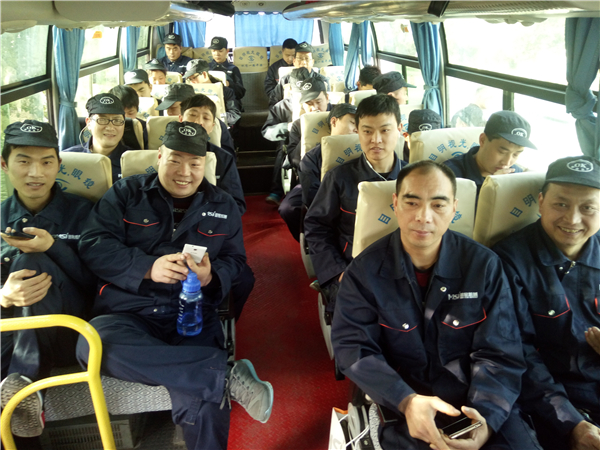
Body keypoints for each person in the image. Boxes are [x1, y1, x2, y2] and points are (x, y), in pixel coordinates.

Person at [75, 121, 273, 450]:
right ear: (159, 157)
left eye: (195, 163)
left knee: (206, 405)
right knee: (92, 344)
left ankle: (209, 377)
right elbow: (94, 244)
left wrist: (211, 276)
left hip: (192, 313)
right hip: (129, 311)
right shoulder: (126, 193)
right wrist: (147, 267)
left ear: (205, 165)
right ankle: (223, 377)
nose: (185, 172)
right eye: (175, 160)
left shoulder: (223, 205)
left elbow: (236, 261)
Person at [332, 160, 542, 450]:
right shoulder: (363, 272)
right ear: (395, 204)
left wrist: (486, 419)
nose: (424, 217)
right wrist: (406, 401)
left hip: (479, 399)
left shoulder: (484, 266)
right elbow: (353, 347)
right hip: (401, 400)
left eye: (438, 205)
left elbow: (500, 352)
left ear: (454, 209)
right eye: (412, 202)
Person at [492, 156, 600, 450]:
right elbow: (516, 353)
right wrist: (571, 423)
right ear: (540, 202)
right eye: (561, 204)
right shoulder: (508, 261)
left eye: (588, 208)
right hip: (549, 401)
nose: (573, 219)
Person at [0, 121, 95, 438]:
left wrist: (53, 248)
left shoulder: (85, 213)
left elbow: (96, 283)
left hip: (69, 330)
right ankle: (23, 395)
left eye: (46, 162)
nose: (35, 173)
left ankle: (27, 379)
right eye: (24, 161)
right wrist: (4, 296)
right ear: (4, 164)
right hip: (8, 331)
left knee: (32, 260)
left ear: (59, 164)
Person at [304, 94, 406, 313]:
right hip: (352, 268)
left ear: (399, 129)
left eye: (385, 130)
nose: (376, 140)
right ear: (357, 131)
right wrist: (337, 272)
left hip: (406, 270)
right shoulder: (338, 178)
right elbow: (317, 227)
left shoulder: (415, 179)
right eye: (367, 131)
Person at [262, 76, 331, 206]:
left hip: (338, 174)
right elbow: (295, 159)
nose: (315, 108)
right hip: (309, 173)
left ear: (327, 98)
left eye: (318, 102)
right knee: (288, 208)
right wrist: (306, 129)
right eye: (309, 104)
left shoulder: (340, 116)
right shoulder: (296, 122)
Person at [444, 111, 536, 196]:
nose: (507, 162)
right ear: (483, 140)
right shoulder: (449, 175)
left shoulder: (516, 175)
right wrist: (489, 188)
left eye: (515, 154)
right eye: (502, 152)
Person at [299, 103, 357, 209]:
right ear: (334, 121)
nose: (357, 129)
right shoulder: (312, 157)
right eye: (353, 123)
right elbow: (312, 196)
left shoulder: (366, 153)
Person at [63, 93, 131, 183]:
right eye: (102, 120)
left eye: (117, 120)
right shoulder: (68, 159)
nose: (110, 127)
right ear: (88, 123)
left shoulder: (134, 160)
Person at [268, 42, 328, 107]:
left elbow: (328, 105)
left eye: (307, 59)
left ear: (312, 62)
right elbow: (273, 103)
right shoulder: (285, 80)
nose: (303, 62)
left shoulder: (322, 80)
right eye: (300, 58)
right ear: (294, 61)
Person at [184, 59, 242, 126]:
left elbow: (234, 114)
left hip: (219, 125)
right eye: (190, 79)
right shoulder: (188, 92)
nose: (192, 82)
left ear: (204, 74)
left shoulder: (224, 91)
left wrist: (214, 117)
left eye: (194, 77)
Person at [208, 37, 246, 102]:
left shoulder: (233, 69)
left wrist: (230, 84)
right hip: (211, 102)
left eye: (220, 51)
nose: (217, 54)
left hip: (230, 102)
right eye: (214, 51)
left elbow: (241, 93)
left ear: (227, 51)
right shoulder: (206, 68)